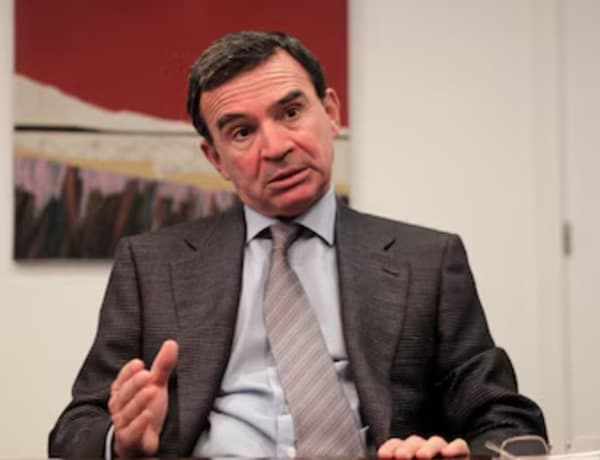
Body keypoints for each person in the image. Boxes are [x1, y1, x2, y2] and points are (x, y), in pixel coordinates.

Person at [49, 30, 547, 459]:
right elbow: (74, 429)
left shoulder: (428, 261)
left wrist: (456, 454)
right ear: (216, 158)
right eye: (242, 132)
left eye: (290, 112)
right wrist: (122, 442)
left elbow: (506, 419)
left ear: (330, 113)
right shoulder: (151, 265)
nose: (276, 147)